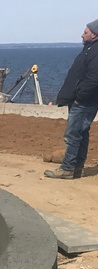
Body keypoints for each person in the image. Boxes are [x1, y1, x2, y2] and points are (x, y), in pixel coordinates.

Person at [45, 20, 98, 179]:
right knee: (81, 133)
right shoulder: (90, 49)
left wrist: (80, 98)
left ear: (94, 34)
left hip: (84, 102)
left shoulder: (95, 51)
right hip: (84, 100)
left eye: (86, 32)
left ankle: (68, 168)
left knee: (73, 134)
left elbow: (93, 79)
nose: (82, 34)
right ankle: (77, 168)